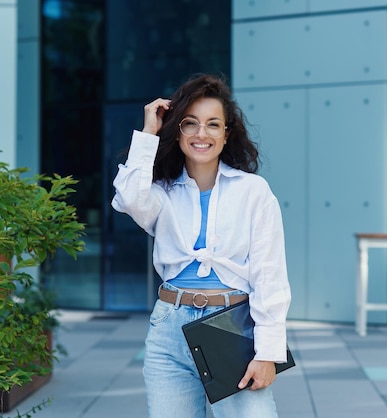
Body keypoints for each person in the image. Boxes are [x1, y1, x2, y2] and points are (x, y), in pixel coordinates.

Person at [111, 73, 291, 418]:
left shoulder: (253, 191)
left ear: (227, 133)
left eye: (212, 124)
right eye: (190, 124)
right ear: (177, 130)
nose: (201, 134)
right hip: (168, 327)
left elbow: (270, 275)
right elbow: (129, 198)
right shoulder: (161, 192)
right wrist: (149, 133)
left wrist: (267, 352)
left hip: (232, 328)